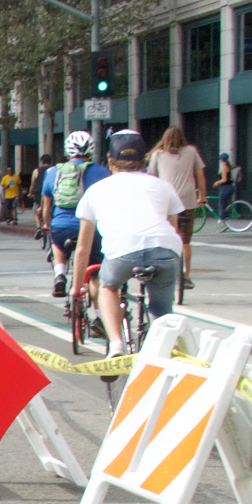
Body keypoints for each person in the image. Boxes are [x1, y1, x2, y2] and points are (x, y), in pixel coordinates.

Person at [70, 128, 183, 349]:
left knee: (108, 287)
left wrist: (77, 286)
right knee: (162, 309)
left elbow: (83, 247)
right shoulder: (163, 187)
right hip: (165, 250)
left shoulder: (95, 190)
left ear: (110, 161)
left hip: (122, 252)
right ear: (144, 160)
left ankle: (116, 345)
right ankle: (165, 348)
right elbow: (174, 228)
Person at [39, 131, 108, 297]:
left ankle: (60, 274)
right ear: (91, 150)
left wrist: (47, 225)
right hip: (91, 228)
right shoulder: (101, 172)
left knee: (56, 243)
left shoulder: (53, 172)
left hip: (61, 225)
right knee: (94, 273)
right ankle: (98, 315)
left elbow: (46, 207)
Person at [151, 126, 206, 291]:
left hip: (166, 203)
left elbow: (152, 178)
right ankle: (187, 276)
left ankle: (164, 271)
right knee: (186, 241)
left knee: (164, 237)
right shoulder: (191, 151)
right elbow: (200, 174)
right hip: (187, 201)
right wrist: (202, 196)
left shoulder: (158, 154)